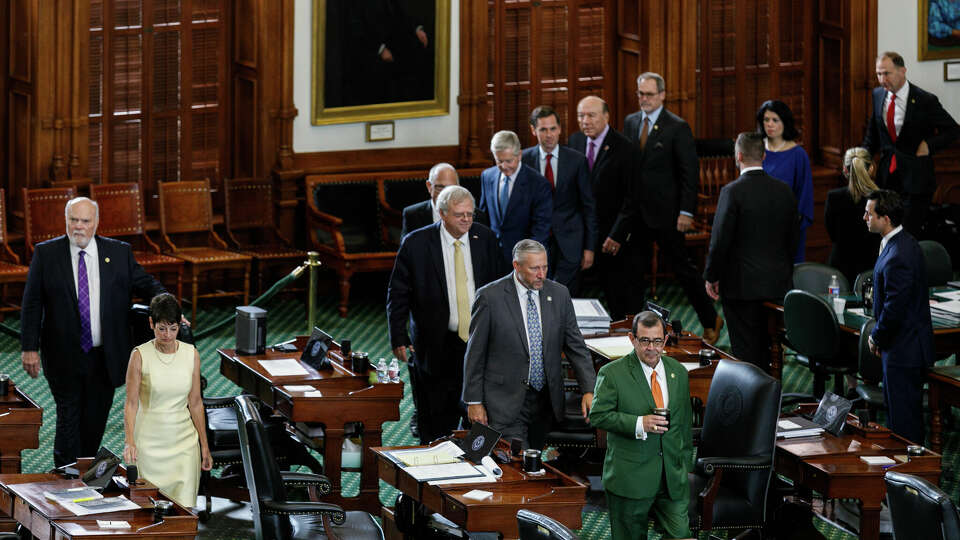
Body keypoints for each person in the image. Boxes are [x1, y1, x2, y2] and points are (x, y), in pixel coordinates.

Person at [21, 197, 168, 467]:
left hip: (106, 355)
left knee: (95, 420)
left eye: (85, 221)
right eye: (73, 220)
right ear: (66, 220)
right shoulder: (46, 254)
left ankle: (85, 473)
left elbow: (148, 284)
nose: (78, 226)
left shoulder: (119, 253)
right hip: (63, 354)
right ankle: (64, 476)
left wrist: (169, 307)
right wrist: (29, 347)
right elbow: (32, 303)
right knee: (69, 416)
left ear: (96, 223)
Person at [387, 186, 504, 444]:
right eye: (459, 215)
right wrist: (398, 337)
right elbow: (398, 294)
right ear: (441, 214)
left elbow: (499, 286)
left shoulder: (484, 238)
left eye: (470, 215)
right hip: (436, 344)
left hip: (478, 341)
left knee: (481, 421)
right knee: (436, 424)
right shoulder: (416, 244)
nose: (466, 220)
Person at [463, 239, 596, 449]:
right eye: (534, 268)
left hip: (545, 400)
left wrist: (589, 389)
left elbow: (576, 347)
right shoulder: (490, 297)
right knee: (516, 461)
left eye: (545, 267)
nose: (541, 274)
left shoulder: (559, 294)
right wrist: (474, 401)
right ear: (516, 266)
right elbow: (474, 354)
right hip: (504, 401)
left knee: (535, 459)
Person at [625, 73, 723, 344]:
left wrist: (686, 212)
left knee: (683, 270)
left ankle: (710, 318)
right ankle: (634, 330)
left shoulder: (677, 127)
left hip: (668, 215)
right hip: (638, 215)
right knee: (634, 271)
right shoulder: (631, 122)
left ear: (662, 95)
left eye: (649, 94)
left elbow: (688, 174)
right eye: (640, 94)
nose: (644, 99)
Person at [589, 311, 693, 540]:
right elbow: (598, 416)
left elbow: (684, 424)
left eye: (657, 341)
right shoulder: (612, 374)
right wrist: (639, 423)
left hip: (672, 479)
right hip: (630, 478)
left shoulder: (678, 372)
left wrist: (684, 465)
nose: (651, 348)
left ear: (665, 340)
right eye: (644, 340)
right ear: (632, 339)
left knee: (681, 535)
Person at [704, 132, 799, 370]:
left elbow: (720, 241)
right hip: (777, 285)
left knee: (746, 353)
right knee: (773, 350)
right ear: (764, 155)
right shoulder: (784, 191)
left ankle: (752, 405)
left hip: (741, 288)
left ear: (738, 156)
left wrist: (711, 276)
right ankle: (771, 403)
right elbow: (793, 240)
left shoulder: (732, 192)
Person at [123, 293, 212, 508]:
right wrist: (130, 441)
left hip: (184, 445)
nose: (168, 335)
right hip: (148, 444)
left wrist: (204, 446)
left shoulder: (191, 354)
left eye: (173, 328)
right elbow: (131, 403)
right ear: (151, 323)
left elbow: (196, 403)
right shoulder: (139, 355)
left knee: (184, 512)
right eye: (161, 328)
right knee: (146, 511)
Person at [862, 51, 960, 235]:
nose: (882, 79)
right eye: (878, 74)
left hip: (916, 181)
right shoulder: (877, 95)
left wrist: (928, 146)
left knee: (908, 235)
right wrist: (861, 159)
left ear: (902, 71)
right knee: (888, 233)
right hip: (887, 179)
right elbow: (872, 135)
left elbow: (953, 131)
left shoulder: (925, 100)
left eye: (887, 73)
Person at [865, 189, 934, 444]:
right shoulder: (900, 243)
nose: (865, 218)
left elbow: (896, 307)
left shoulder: (899, 254)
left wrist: (876, 337)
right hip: (902, 347)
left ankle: (912, 476)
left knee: (904, 424)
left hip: (905, 350)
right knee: (900, 417)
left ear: (886, 218)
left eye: (869, 213)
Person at [568, 96, 642, 320]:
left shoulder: (625, 147)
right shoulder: (575, 142)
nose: (585, 120)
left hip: (612, 238)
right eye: (581, 115)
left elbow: (633, 197)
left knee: (619, 301)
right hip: (581, 235)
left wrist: (617, 234)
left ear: (606, 116)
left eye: (591, 115)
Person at [521, 105, 598, 293]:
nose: (549, 135)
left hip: (570, 241)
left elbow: (589, 206)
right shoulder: (523, 160)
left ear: (560, 129)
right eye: (543, 130)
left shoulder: (577, 160)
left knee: (567, 298)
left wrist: (589, 248)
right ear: (533, 130)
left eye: (553, 129)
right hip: (537, 241)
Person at [479, 130, 553, 264]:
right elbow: (484, 217)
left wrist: (528, 260)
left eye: (509, 161)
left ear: (519, 155)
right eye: (499, 161)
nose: (504, 166)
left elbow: (541, 228)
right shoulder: (487, 176)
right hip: (493, 257)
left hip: (523, 260)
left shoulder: (538, 184)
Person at [757, 99, 814, 263]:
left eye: (775, 120)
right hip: (759, 223)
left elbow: (804, 194)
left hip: (788, 226)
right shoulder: (756, 149)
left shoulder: (798, 154)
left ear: (785, 123)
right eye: (766, 120)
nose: (770, 124)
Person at [825, 147, 882, 285]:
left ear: (845, 170)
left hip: (839, 270)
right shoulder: (882, 198)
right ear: (871, 169)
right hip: (871, 268)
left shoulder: (833, 197)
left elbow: (832, 234)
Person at [400, 163, 460, 238]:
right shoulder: (412, 216)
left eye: (451, 188)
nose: (445, 194)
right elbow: (407, 249)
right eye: (440, 187)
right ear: (429, 187)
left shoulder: (474, 215)